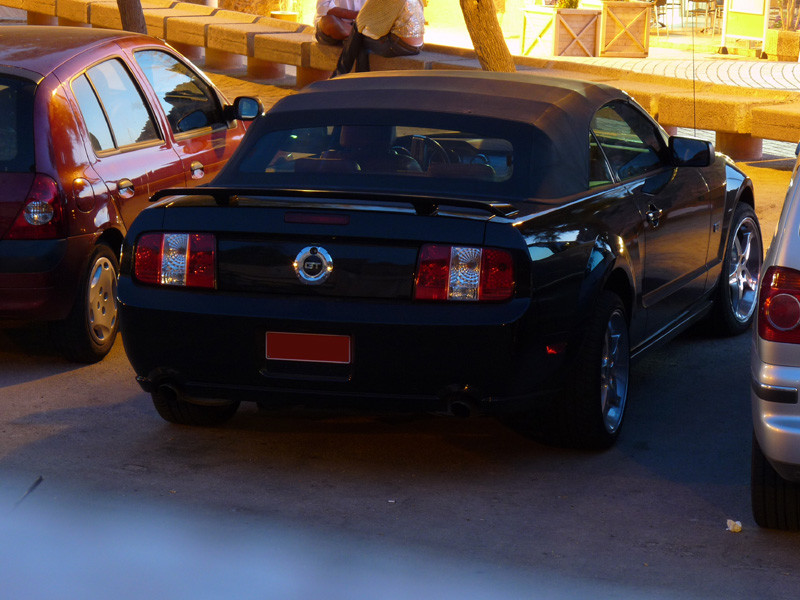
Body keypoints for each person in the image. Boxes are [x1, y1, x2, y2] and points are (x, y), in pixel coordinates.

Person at [331, 0, 424, 77]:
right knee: (360, 35)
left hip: (400, 45)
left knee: (358, 31)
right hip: (417, 45)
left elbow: (364, 19)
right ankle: (356, 77)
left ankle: (341, 72)